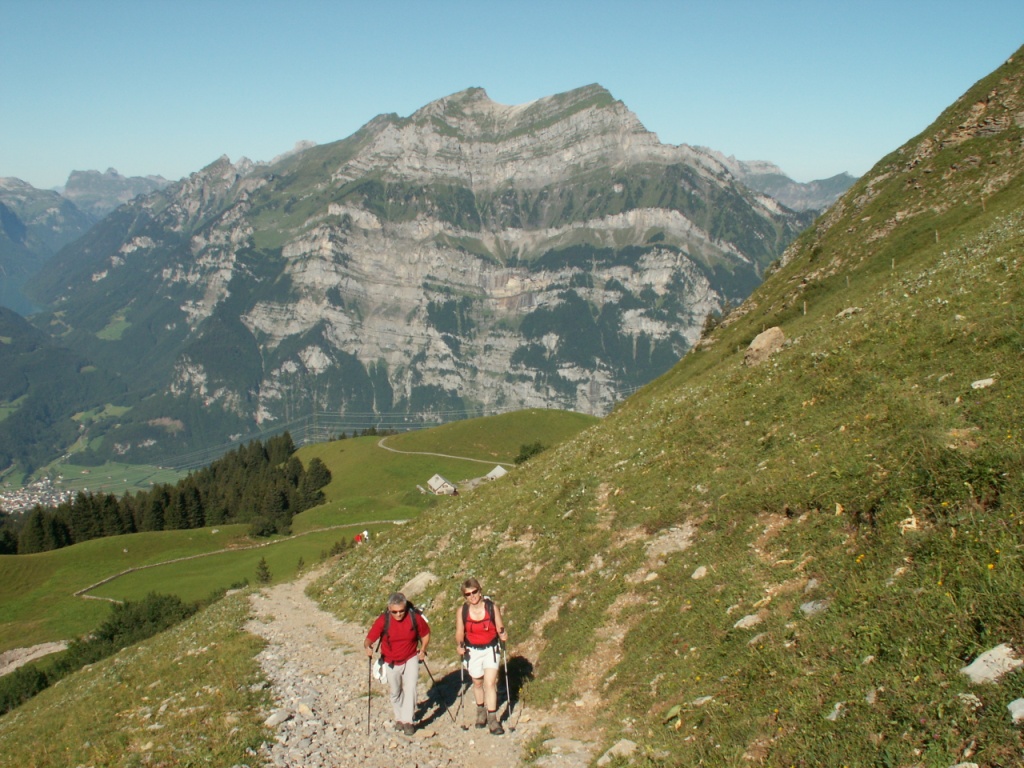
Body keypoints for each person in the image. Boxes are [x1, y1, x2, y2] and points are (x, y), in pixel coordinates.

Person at [364, 592, 430, 735]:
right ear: (389, 609)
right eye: (395, 612)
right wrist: (368, 646)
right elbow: (369, 638)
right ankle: (399, 717)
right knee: (395, 691)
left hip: (410, 657)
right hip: (391, 661)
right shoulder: (383, 620)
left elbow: (425, 634)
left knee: (410, 688)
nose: (398, 614)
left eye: (401, 611)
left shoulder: (414, 617)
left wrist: (423, 649)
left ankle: (408, 721)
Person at [455, 577, 508, 734]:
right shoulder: (462, 611)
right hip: (472, 651)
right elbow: (460, 632)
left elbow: (500, 626)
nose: (472, 596)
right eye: (468, 594)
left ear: (480, 591)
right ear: (465, 596)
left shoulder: (491, 608)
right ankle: (480, 710)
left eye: (474, 592)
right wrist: (460, 645)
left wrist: (503, 634)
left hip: (491, 649)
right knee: (477, 682)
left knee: (489, 683)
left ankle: (493, 719)